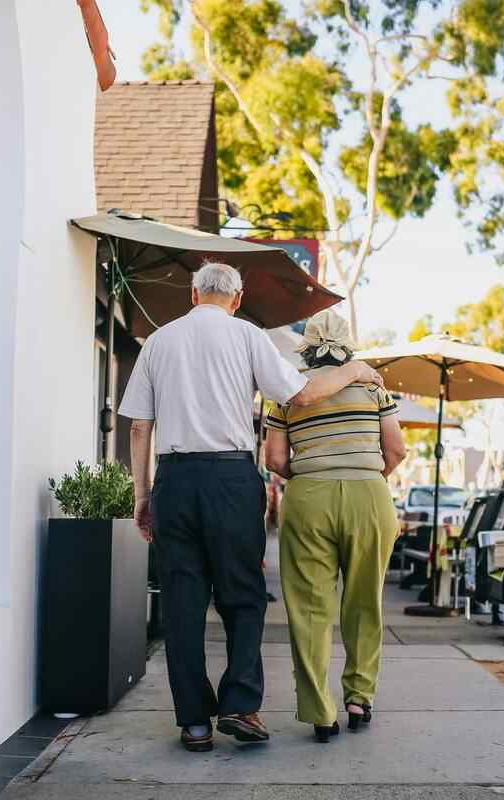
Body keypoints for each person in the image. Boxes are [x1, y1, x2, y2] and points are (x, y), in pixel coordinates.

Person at [119, 261, 384, 753]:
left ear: (193, 295)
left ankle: (195, 723)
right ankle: (240, 706)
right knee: (242, 597)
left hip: (175, 479)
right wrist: (352, 369)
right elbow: (302, 396)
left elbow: (139, 427)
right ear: (236, 299)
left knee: (183, 605)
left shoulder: (158, 341)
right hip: (230, 478)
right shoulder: (249, 337)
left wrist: (143, 495)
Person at [263, 310, 407, 743]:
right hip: (369, 495)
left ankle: (320, 712)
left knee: (308, 608)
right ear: (349, 344)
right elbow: (396, 450)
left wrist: (312, 474)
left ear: (306, 344)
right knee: (365, 602)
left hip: (308, 498)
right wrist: (364, 476)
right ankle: (360, 697)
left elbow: (273, 459)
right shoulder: (372, 387)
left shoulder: (289, 392)